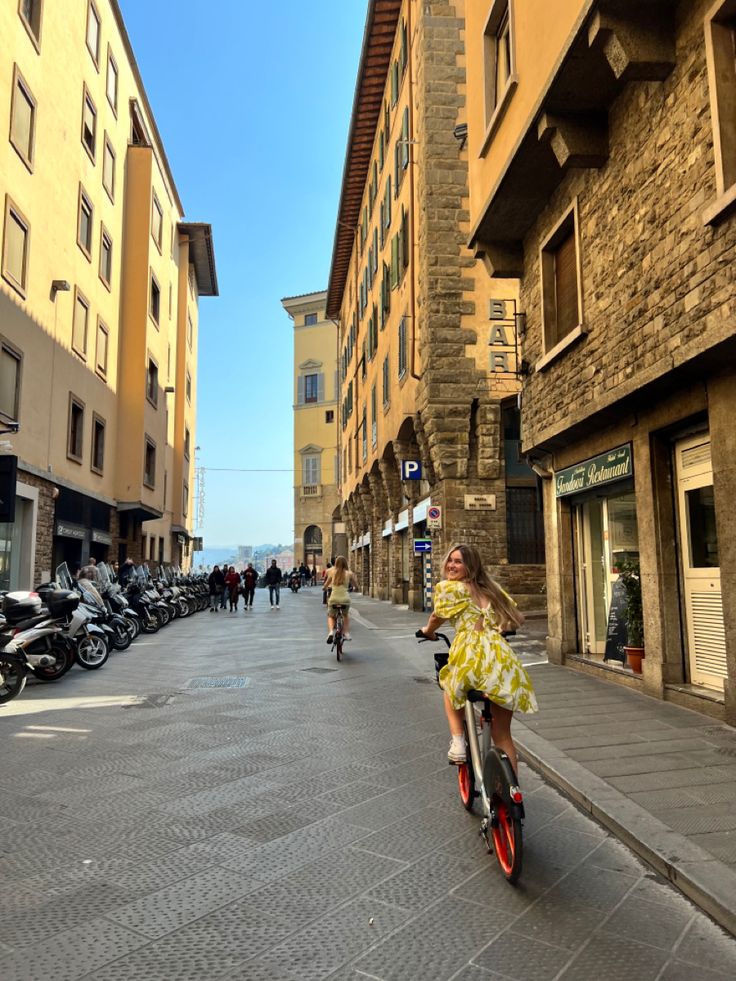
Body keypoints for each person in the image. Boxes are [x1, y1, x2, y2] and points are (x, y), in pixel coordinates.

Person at [419, 543, 538, 776]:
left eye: (458, 561)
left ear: (470, 566)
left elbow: (437, 616)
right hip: (502, 659)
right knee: (503, 736)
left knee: (449, 685)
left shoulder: (450, 588)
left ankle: (458, 743)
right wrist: (499, 627)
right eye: (450, 560)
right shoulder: (492, 589)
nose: (451, 565)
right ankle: (513, 793)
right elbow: (518, 618)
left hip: (470, 653)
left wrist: (428, 631)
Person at [324, 556, 358, 643]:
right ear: (345, 563)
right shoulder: (349, 574)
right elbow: (356, 585)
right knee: (345, 615)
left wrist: (324, 588)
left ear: (336, 563)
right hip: (345, 600)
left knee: (331, 616)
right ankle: (346, 633)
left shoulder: (332, 573)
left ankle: (331, 632)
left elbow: (326, 584)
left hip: (334, 599)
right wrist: (355, 588)